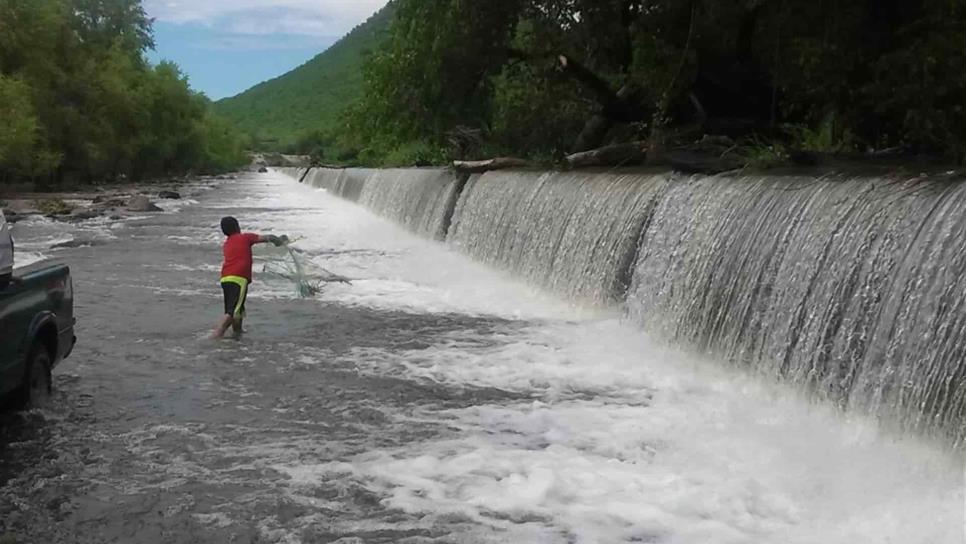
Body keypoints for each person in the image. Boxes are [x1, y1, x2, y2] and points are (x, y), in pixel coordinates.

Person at [211, 216, 286, 339]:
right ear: (237, 227)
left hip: (225, 278)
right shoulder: (245, 237)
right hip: (238, 278)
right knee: (232, 311)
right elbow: (269, 238)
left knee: (237, 309)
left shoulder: (227, 243)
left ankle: (237, 334)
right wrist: (280, 241)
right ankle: (216, 335)